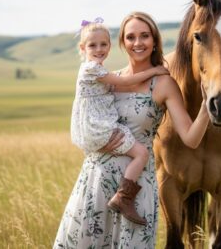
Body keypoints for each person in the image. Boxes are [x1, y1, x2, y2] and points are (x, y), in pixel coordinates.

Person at [53, 12, 210, 249]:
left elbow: (191, 138)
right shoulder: (108, 79)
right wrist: (97, 142)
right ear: (122, 42)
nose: (138, 43)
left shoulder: (164, 83)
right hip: (96, 179)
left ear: (155, 40)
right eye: (131, 37)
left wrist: (208, 108)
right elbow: (84, 120)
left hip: (136, 191)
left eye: (145, 36)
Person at [70, 19, 169, 225]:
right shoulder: (92, 69)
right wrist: (154, 71)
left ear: (111, 45)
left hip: (94, 126)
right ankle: (124, 198)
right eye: (92, 45)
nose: (99, 49)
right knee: (141, 153)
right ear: (82, 48)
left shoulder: (96, 70)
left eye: (103, 44)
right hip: (99, 127)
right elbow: (124, 82)